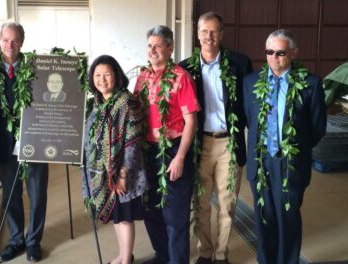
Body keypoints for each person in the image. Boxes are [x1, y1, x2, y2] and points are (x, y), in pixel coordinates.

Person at [243, 29, 326, 264]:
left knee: (287, 216)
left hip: (291, 162)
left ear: (294, 53)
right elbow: (250, 118)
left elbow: (317, 127)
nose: (274, 58)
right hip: (261, 161)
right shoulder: (250, 82)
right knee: (264, 215)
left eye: (280, 53)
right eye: (269, 52)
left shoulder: (310, 84)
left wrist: (294, 149)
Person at [179, 12, 252, 264]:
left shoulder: (239, 64)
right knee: (200, 203)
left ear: (222, 34)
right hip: (200, 144)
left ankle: (221, 254)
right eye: (204, 31)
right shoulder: (185, 68)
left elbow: (249, 105)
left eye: (214, 31)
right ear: (197, 34)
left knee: (227, 202)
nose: (209, 36)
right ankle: (205, 252)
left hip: (229, 142)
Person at [134, 25, 200, 264]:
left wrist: (180, 157)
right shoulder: (142, 77)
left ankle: (177, 260)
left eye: (158, 46)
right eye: (149, 46)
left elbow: (190, 121)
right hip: (148, 150)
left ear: (170, 48)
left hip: (173, 149)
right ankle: (162, 255)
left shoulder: (181, 77)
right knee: (151, 209)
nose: (152, 50)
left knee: (175, 214)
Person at [83, 55, 148, 264]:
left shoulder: (127, 101)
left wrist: (122, 176)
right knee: (116, 216)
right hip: (105, 173)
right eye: (97, 75)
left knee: (125, 217)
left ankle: (127, 259)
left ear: (117, 76)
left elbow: (132, 143)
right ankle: (122, 255)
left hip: (124, 172)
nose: (102, 80)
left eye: (107, 75)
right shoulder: (98, 103)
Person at [0, 22, 49, 262]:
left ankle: (34, 241)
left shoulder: (37, 69)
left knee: (38, 193)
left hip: (36, 140)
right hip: (5, 144)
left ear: (22, 42)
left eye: (15, 40)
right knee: (10, 194)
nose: (10, 45)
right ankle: (16, 240)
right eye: (6, 40)